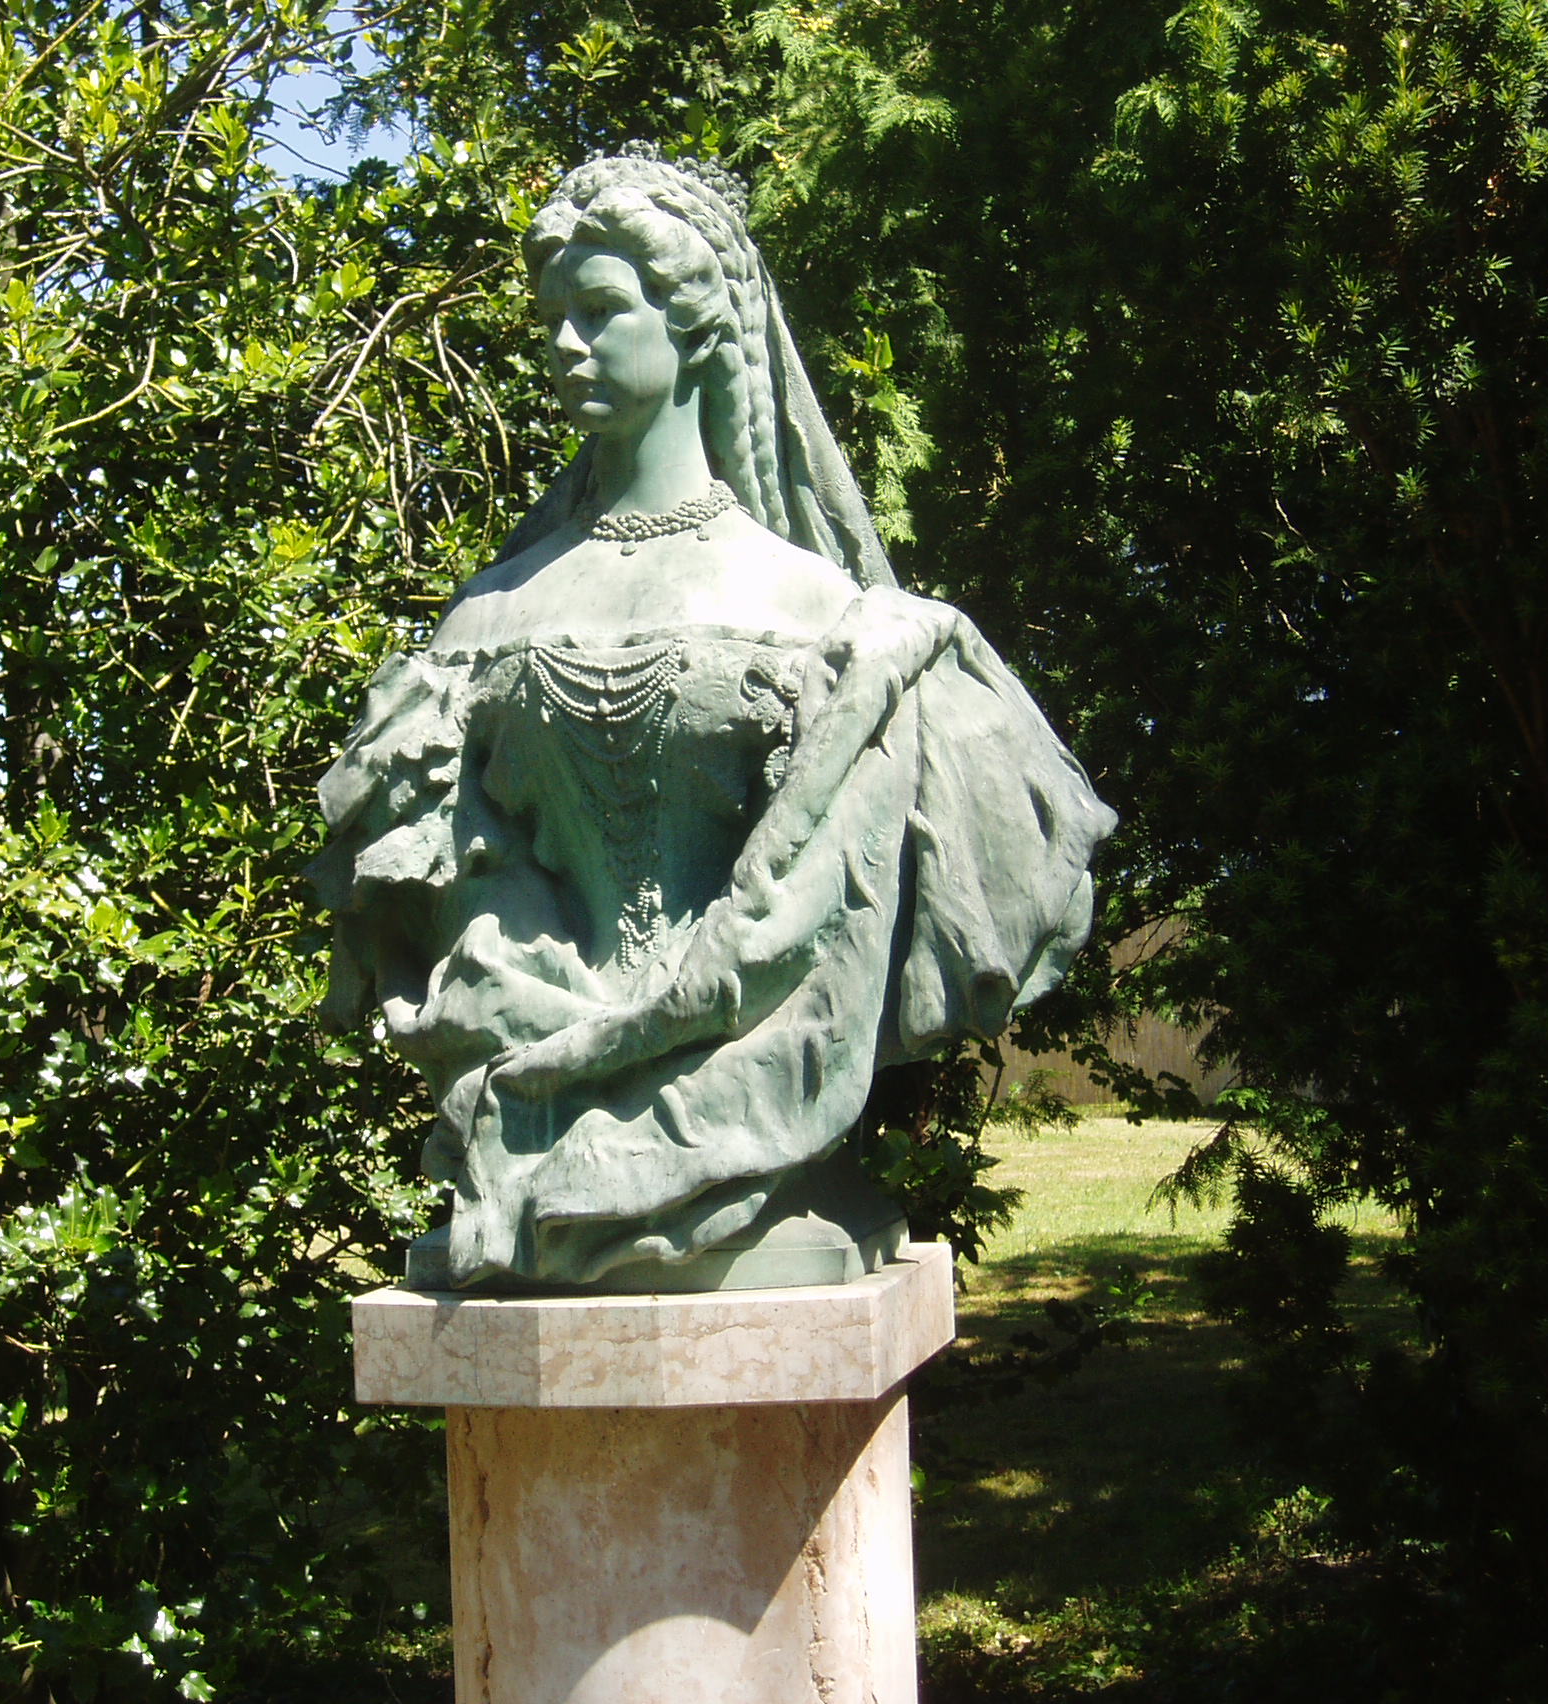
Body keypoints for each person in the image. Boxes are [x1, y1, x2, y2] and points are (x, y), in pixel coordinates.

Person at [313, 145, 1115, 1291]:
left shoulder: (823, 616)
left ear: (694, 320)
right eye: (552, 317)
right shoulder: (487, 616)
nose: (564, 343)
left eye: (600, 310)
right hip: (518, 1105)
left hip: (776, 1168)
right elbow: (443, 877)